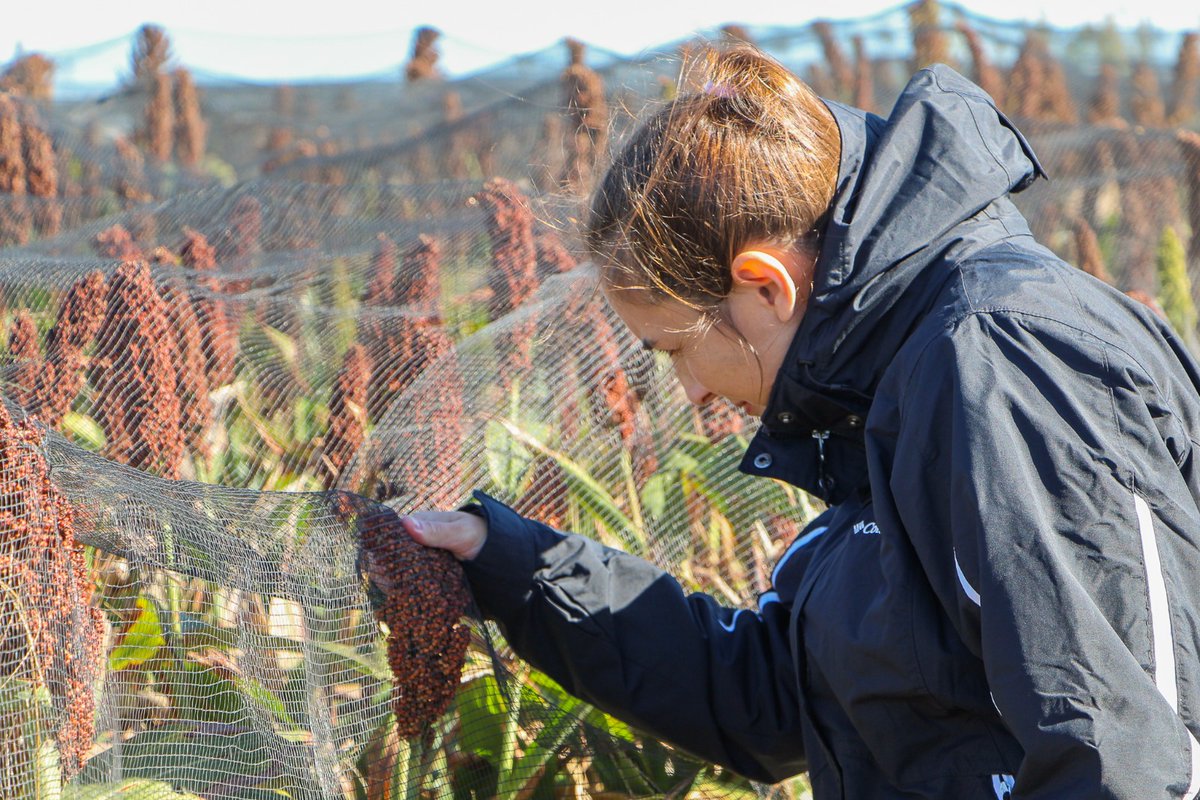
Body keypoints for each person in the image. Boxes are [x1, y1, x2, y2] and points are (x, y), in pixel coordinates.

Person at [401, 44, 1200, 798]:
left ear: (765, 287)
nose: (689, 392)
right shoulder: (888, 376)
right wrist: (510, 561)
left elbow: (1122, 757)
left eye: (674, 350)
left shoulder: (999, 370)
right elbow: (780, 698)